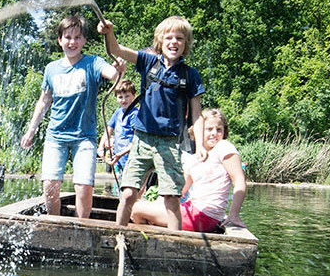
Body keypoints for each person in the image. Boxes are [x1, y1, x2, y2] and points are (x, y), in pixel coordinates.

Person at [97, 15, 203, 230]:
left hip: (170, 144)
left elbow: (197, 114)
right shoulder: (148, 62)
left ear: (186, 44)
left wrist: (200, 147)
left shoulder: (190, 75)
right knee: (127, 194)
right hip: (142, 140)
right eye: (169, 37)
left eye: (180, 38)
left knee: (171, 199)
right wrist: (109, 33)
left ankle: (174, 245)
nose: (174, 42)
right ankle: (119, 237)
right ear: (160, 41)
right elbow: (117, 50)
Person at [21, 14, 119, 218]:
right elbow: (44, 101)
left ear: (84, 40)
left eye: (77, 37)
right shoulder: (51, 69)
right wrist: (31, 130)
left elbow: (113, 74)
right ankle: (55, 223)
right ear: (60, 40)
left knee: (84, 186)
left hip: (85, 136)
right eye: (67, 37)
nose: (72, 42)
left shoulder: (93, 63)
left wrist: (118, 67)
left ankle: (82, 227)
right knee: (50, 183)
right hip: (56, 135)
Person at [132, 108, 247, 233]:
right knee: (142, 207)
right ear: (198, 131)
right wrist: (156, 204)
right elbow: (179, 190)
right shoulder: (194, 159)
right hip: (191, 210)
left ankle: (153, 241)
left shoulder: (223, 147)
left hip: (204, 216)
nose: (215, 133)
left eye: (219, 129)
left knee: (137, 209)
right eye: (209, 129)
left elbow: (239, 181)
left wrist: (234, 215)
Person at [98, 77, 139, 193]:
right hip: (119, 160)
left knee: (130, 190)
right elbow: (108, 130)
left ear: (133, 96)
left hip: (130, 159)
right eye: (120, 97)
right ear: (116, 98)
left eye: (127, 96)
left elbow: (137, 140)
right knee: (121, 187)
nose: (123, 100)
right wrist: (100, 147)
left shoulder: (134, 114)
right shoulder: (118, 113)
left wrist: (120, 154)